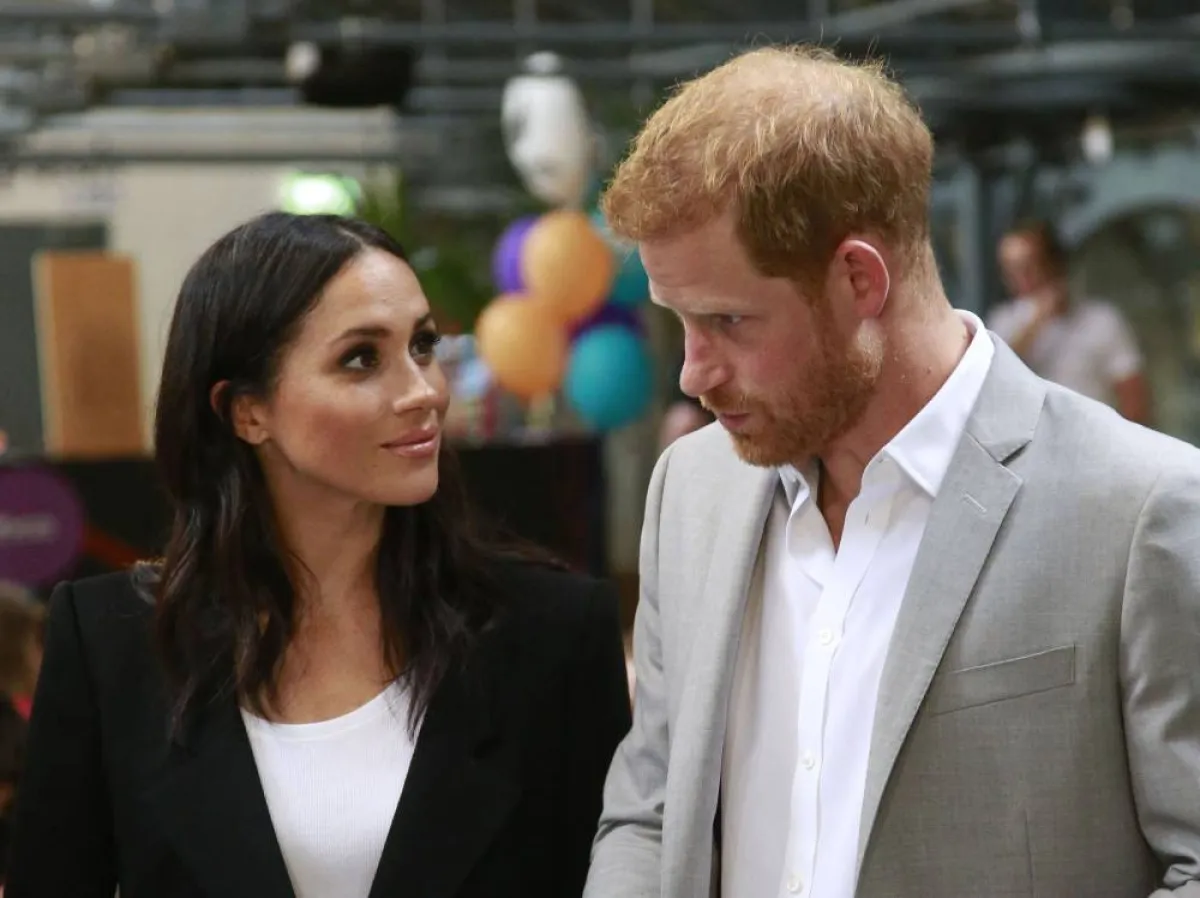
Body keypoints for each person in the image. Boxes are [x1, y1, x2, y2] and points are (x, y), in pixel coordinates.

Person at [584, 44, 1200, 898]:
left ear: (857, 278)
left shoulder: (1142, 509)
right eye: (678, 321)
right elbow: (650, 812)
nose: (692, 373)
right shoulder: (690, 491)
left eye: (727, 319)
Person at [6, 212, 632, 898]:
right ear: (247, 411)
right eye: (361, 358)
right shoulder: (110, 647)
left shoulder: (554, 636)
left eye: (422, 345)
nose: (423, 389)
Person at [988, 219, 1152, 424]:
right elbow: (994, 380)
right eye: (1011, 270)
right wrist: (1038, 320)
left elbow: (1133, 395)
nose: (1020, 278)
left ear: (1054, 263)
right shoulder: (1003, 323)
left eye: (1029, 266)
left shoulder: (1102, 320)